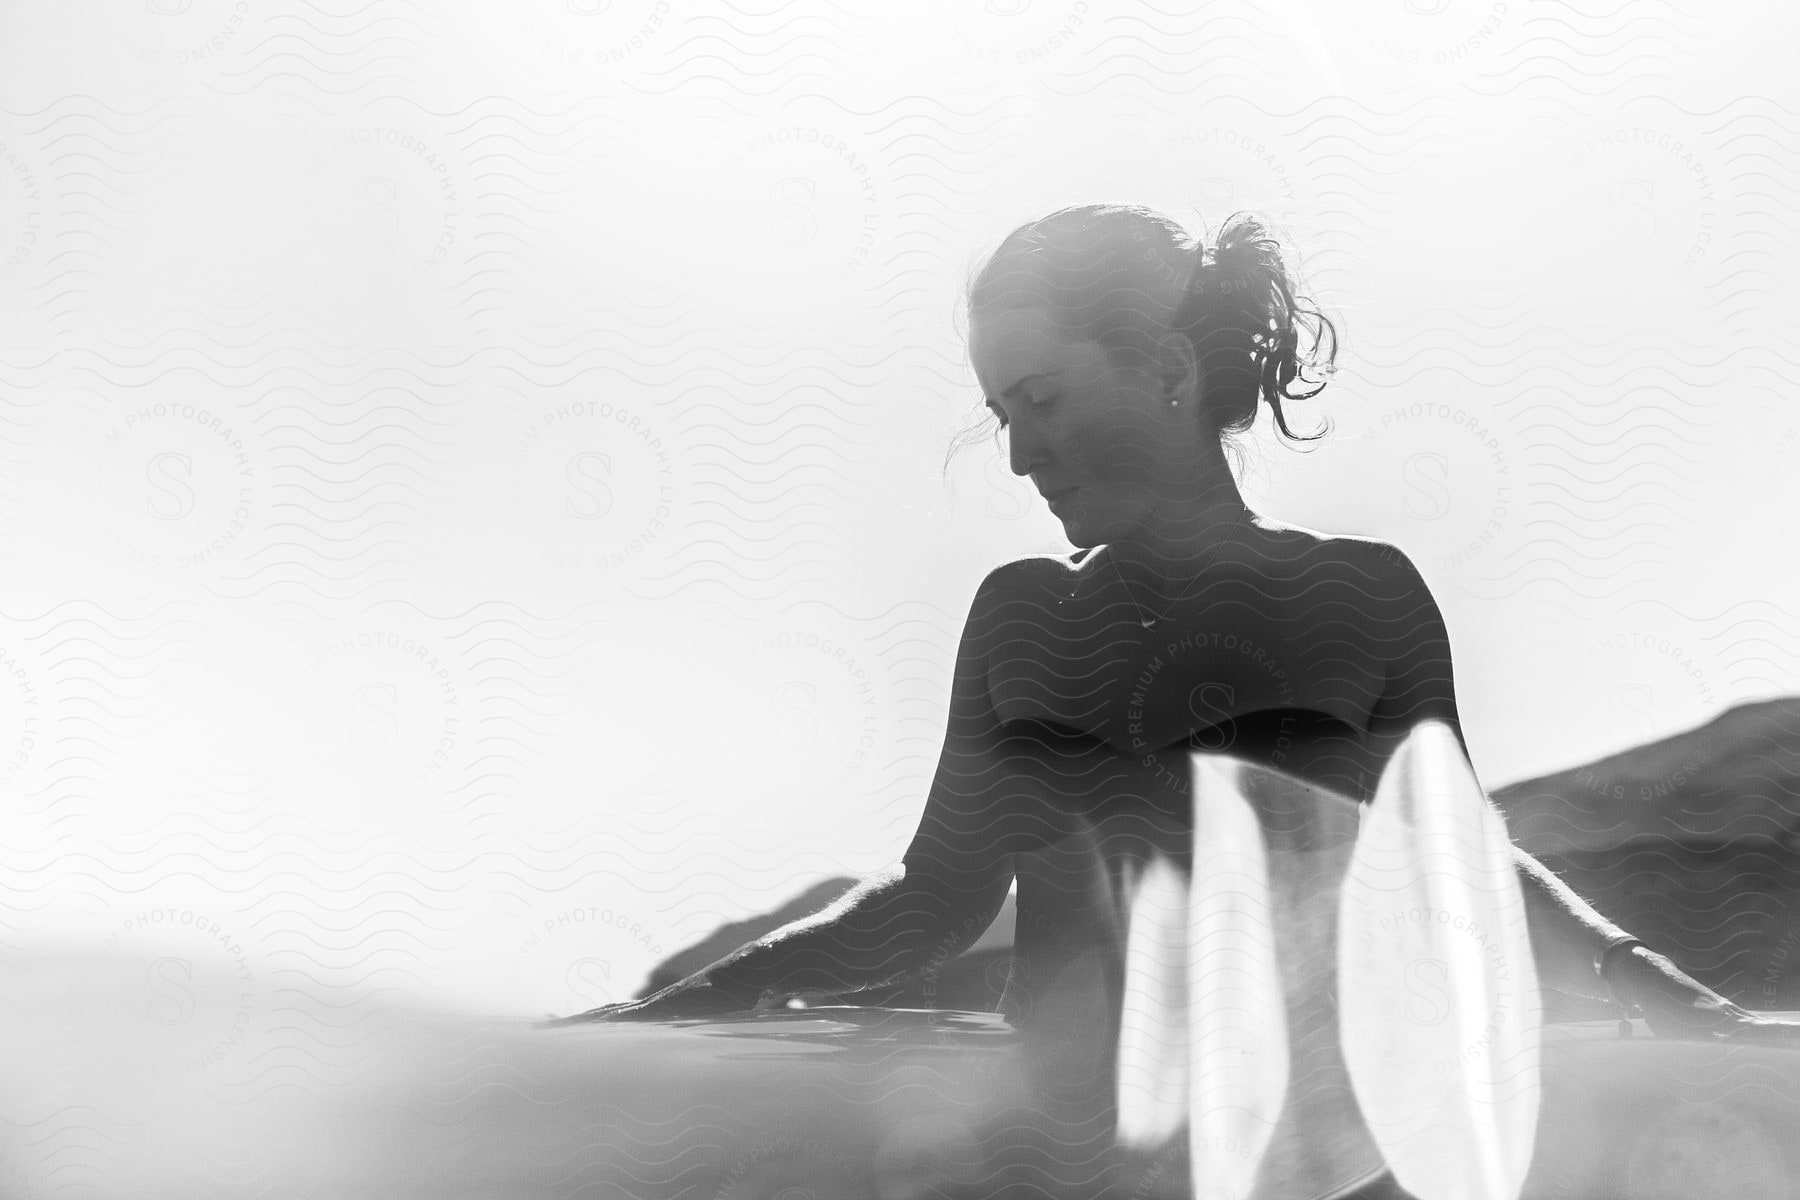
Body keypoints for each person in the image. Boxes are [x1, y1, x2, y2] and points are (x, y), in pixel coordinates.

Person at [553, 203, 1796, 1194]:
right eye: (1000, 416)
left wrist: (1663, 990)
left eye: (1041, 402)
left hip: (1322, 1155)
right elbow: (938, 899)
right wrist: (672, 1007)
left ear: (1164, 366)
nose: (1023, 455)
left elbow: (1453, 873)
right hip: (1064, 1153)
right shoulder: (1023, 614)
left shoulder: (1360, 597)